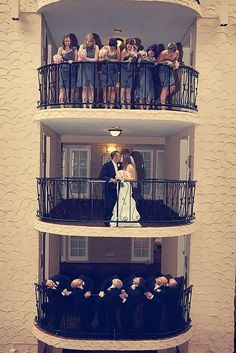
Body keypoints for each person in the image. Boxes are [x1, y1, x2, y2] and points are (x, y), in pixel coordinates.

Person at [110, 149, 141, 227]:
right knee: (121, 202)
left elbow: (134, 179)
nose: (120, 157)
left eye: (121, 156)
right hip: (122, 188)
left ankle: (128, 219)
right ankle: (120, 219)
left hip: (127, 187)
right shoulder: (124, 166)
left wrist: (123, 179)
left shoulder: (130, 166)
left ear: (125, 157)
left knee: (127, 202)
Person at [99, 150, 122, 227]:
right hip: (109, 189)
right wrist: (111, 179)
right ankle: (106, 221)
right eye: (119, 156)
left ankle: (114, 220)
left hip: (118, 189)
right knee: (108, 205)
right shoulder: (107, 165)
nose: (120, 157)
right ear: (115, 157)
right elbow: (101, 176)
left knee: (116, 205)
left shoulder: (120, 165)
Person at [54, 34, 77, 104]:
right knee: (62, 89)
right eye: (65, 41)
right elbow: (57, 60)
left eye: (68, 41)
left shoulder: (74, 49)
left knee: (71, 90)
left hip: (71, 71)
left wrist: (72, 62)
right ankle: (62, 107)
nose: (67, 42)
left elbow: (76, 61)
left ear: (70, 41)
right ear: (63, 42)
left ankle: (70, 105)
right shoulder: (60, 49)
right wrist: (64, 61)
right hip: (63, 71)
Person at [77, 33, 99, 108]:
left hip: (92, 68)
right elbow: (78, 59)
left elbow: (96, 59)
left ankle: (90, 106)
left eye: (91, 42)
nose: (89, 43)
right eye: (88, 41)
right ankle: (84, 106)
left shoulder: (96, 47)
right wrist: (81, 58)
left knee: (91, 87)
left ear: (93, 41)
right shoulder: (81, 46)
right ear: (85, 41)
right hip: (83, 68)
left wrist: (86, 59)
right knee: (84, 87)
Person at [99, 38, 121, 108]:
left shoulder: (117, 49)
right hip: (105, 70)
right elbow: (99, 59)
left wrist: (110, 60)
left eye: (114, 46)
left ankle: (111, 105)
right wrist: (104, 59)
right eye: (111, 46)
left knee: (112, 88)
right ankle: (105, 105)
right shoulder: (105, 48)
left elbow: (118, 59)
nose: (112, 48)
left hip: (113, 70)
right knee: (105, 88)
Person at [157, 42, 180, 107]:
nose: (170, 54)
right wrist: (166, 62)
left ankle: (160, 99)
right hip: (163, 69)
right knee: (165, 86)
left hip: (170, 69)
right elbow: (158, 62)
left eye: (172, 52)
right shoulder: (163, 53)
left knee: (172, 86)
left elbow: (176, 60)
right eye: (169, 52)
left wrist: (175, 63)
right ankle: (162, 106)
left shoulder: (177, 53)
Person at [120, 38, 138, 109]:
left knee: (128, 89)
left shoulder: (135, 51)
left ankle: (128, 105)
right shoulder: (124, 51)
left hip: (131, 70)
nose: (129, 46)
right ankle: (122, 104)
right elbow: (121, 62)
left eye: (130, 44)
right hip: (124, 70)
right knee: (123, 88)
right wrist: (128, 60)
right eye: (128, 44)